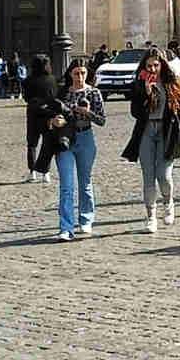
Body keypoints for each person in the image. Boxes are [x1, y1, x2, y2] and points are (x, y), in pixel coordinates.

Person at [122, 47, 180, 233]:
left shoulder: (171, 82)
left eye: (155, 65)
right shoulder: (138, 84)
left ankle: (168, 202)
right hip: (146, 131)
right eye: (149, 66)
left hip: (166, 131)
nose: (152, 69)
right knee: (148, 176)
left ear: (162, 64)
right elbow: (135, 113)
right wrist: (145, 92)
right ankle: (150, 216)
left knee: (164, 175)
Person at [49, 60, 105, 240]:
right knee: (66, 185)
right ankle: (66, 227)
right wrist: (54, 121)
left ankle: (86, 218)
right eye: (76, 73)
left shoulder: (94, 92)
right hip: (66, 139)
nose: (80, 77)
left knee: (85, 182)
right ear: (70, 74)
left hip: (86, 137)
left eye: (83, 73)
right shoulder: (62, 92)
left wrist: (86, 112)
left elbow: (101, 120)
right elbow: (51, 113)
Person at [24, 56, 58, 182]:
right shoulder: (52, 79)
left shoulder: (28, 80)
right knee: (47, 145)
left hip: (33, 114)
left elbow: (26, 97)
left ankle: (32, 171)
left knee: (32, 144)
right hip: (47, 114)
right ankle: (46, 172)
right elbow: (54, 97)